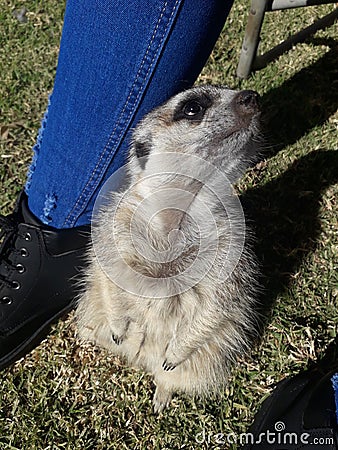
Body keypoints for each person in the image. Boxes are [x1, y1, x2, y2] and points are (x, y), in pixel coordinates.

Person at [1, 1, 337, 446]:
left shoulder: (225, 232)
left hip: (187, 347)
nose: (247, 103)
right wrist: (118, 318)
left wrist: (177, 353)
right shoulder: (125, 210)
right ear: (144, 150)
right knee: (101, 321)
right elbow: (106, 279)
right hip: (128, 325)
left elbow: (219, 306)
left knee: (189, 374)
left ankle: (165, 380)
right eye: (193, 111)